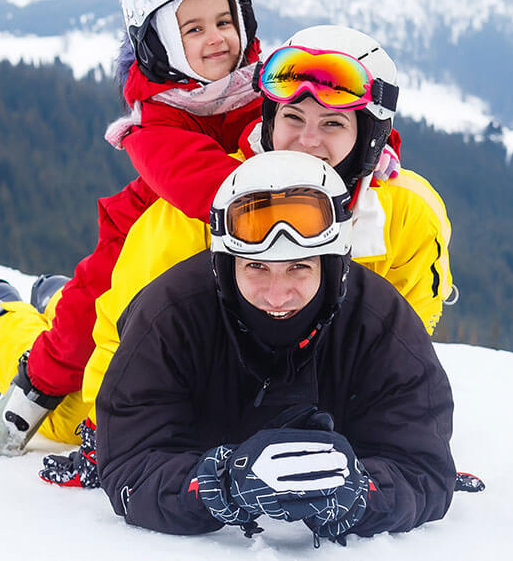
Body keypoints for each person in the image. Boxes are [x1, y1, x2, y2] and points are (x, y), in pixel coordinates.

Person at [30, 25, 454, 489]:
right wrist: (106, 437)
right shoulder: (212, 208)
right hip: (197, 376)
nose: (307, 141)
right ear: (271, 121)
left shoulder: (406, 217)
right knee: (62, 418)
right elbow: (127, 333)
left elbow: (401, 347)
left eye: (332, 123)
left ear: (369, 136)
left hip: (302, 384)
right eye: (294, 117)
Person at [0, 0, 264, 448]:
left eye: (224, 20)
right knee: (70, 419)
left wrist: (372, 145)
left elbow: (338, 107)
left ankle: (51, 299)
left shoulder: (266, 91)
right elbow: (223, 191)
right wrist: (38, 384)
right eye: (193, 28)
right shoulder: (159, 134)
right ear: (159, 41)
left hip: (197, 314)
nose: (216, 38)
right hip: (117, 294)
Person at [95, 150, 456, 544]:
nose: (277, 295)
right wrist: (219, 485)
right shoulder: (169, 317)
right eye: (256, 267)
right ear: (226, 264)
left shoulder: (382, 323)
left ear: (333, 265)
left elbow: (424, 469)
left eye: (299, 267)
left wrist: (363, 494)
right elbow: (129, 462)